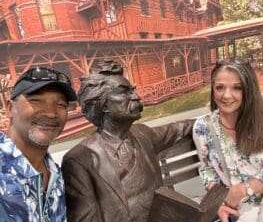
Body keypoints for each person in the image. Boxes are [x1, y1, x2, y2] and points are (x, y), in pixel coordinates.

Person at [61, 60, 194, 222]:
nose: (136, 97)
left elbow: (179, 129)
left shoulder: (143, 134)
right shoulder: (79, 160)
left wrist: (215, 119)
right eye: (124, 92)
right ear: (103, 105)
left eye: (133, 91)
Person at [193, 58, 263, 222]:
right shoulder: (203, 127)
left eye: (237, 88)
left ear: (248, 90)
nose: (226, 95)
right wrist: (218, 203)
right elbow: (207, 170)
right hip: (239, 208)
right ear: (212, 90)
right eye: (220, 87)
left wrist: (244, 189)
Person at [0, 67, 77, 221]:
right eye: (36, 100)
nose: (51, 113)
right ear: (10, 108)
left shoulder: (56, 175)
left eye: (61, 105)